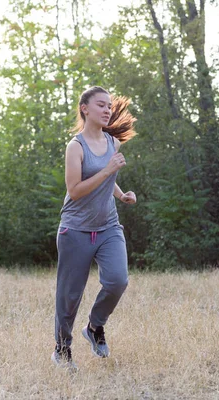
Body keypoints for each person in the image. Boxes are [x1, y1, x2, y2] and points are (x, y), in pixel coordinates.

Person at [52, 86, 137, 369]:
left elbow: (105, 181)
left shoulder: (113, 142)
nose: (107, 110)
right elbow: (75, 190)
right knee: (69, 296)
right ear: (84, 109)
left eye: (109, 106)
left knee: (117, 280)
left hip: (108, 227)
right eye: (101, 105)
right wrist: (108, 170)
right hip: (75, 230)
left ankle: (95, 326)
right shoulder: (75, 147)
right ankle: (62, 350)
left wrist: (121, 194)